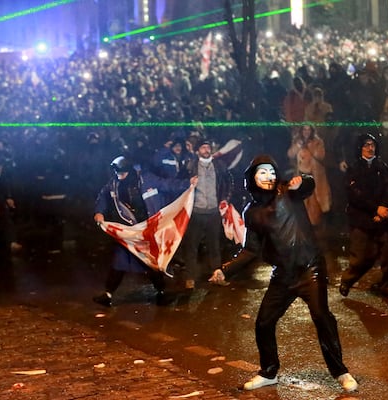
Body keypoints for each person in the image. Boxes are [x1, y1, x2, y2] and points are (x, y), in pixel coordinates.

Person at [209, 155, 358, 393]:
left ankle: (340, 372)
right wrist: (225, 270)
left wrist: (304, 181)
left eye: (271, 171)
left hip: (310, 269)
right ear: (252, 178)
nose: (268, 177)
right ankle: (268, 372)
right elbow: (250, 250)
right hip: (283, 276)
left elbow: (308, 184)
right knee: (264, 322)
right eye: (262, 173)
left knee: (322, 316)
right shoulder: (252, 212)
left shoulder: (288, 191)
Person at [92, 155, 193, 307]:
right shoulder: (113, 184)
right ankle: (108, 294)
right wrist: (99, 212)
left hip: (148, 229)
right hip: (130, 231)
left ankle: (162, 293)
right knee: (120, 261)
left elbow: (167, 184)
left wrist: (188, 183)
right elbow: (103, 197)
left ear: (129, 171)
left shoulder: (147, 179)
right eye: (117, 173)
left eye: (122, 173)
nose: (120, 176)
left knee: (151, 262)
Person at [339, 133, 388, 297]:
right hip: (362, 218)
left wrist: (384, 208)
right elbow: (355, 195)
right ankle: (347, 280)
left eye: (372, 145)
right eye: (366, 145)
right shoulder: (354, 169)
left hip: (383, 216)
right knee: (362, 257)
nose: (370, 148)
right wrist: (375, 209)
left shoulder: (382, 167)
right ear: (360, 148)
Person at [181, 140, 232, 289]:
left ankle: (217, 274)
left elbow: (229, 181)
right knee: (192, 246)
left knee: (214, 245)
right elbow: (179, 183)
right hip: (196, 212)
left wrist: (225, 198)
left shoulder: (219, 165)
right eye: (203, 147)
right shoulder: (190, 166)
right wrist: (187, 183)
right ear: (197, 151)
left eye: (208, 147)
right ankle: (190, 278)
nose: (206, 149)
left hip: (213, 212)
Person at [287, 124, 331, 227]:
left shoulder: (318, 142)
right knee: (302, 202)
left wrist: (311, 148)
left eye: (308, 129)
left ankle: (315, 225)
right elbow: (290, 154)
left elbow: (321, 156)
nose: (306, 132)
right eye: (304, 129)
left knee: (314, 203)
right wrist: (297, 146)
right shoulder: (297, 141)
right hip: (300, 176)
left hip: (314, 177)